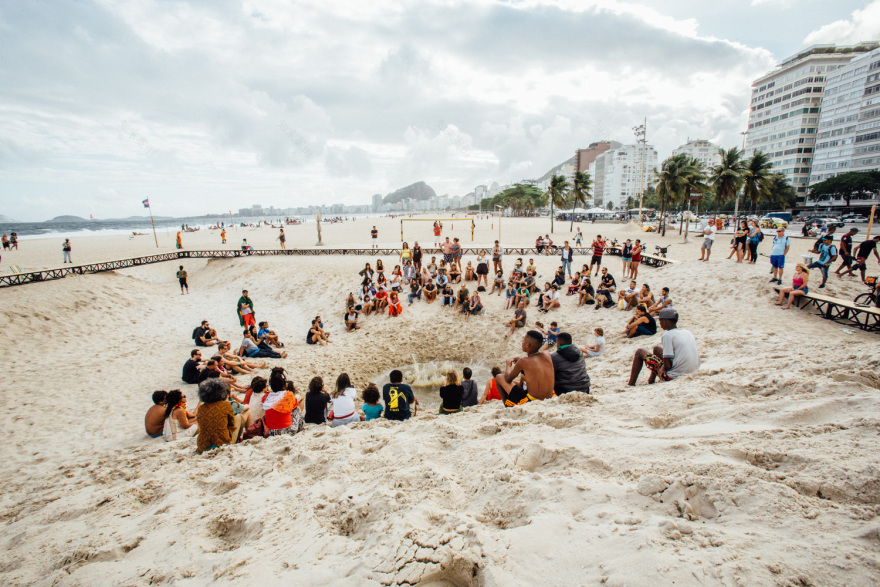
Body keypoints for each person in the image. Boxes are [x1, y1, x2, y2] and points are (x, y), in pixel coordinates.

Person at [628, 308, 699, 386]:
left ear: (665, 321)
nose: (660, 323)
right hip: (692, 371)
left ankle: (631, 384)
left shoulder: (667, 335)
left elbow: (668, 365)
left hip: (672, 376)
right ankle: (651, 379)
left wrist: (663, 368)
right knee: (656, 349)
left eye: (660, 320)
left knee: (640, 352)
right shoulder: (686, 332)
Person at [495, 330, 556, 406]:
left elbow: (508, 379)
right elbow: (534, 369)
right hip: (550, 397)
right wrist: (520, 365)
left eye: (524, 340)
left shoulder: (523, 361)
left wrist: (508, 365)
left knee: (499, 377)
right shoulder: (547, 354)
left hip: (532, 400)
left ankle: (508, 406)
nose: (522, 342)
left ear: (527, 345)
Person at [195, 379, 246, 452]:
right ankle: (238, 439)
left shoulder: (201, 408)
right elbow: (231, 424)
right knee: (238, 417)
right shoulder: (225, 405)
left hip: (202, 446)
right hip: (221, 444)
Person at [262, 367, 304, 436]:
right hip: (288, 431)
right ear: (284, 385)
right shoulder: (288, 395)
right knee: (296, 408)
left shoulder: (266, 396)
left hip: (271, 431)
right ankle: (300, 427)